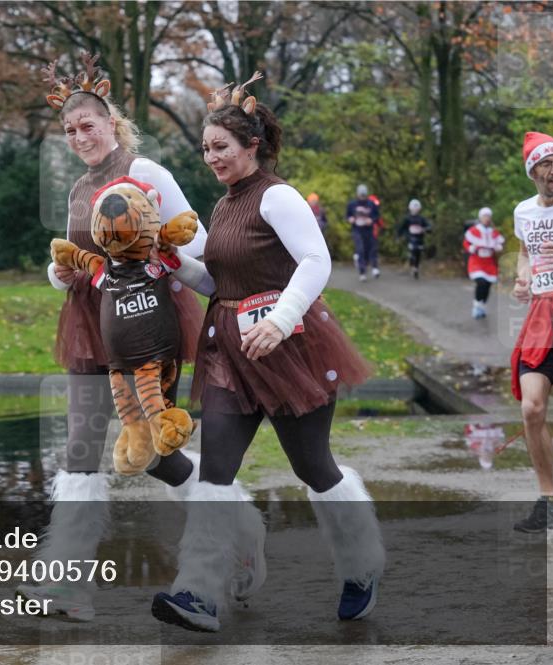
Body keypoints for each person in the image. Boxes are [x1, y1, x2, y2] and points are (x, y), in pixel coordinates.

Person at [151, 74, 384, 632]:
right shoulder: (224, 204)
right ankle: (200, 594)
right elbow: (218, 282)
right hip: (228, 353)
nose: (211, 157)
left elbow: (316, 261)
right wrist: (172, 263)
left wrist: (281, 321)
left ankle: (361, 567)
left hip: (291, 348)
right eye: (206, 149)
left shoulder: (276, 195)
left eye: (221, 147)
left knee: (313, 467)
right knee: (215, 475)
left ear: (252, 145)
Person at [17, 53, 224, 621]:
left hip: (148, 316)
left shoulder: (148, 172)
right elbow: (72, 257)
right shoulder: (79, 188)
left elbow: (199, 245)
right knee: (80, 449)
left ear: (111, 124)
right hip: (91, 320)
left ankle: (236, 543)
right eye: (69, 130)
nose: (79, 136)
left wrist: (172, 266)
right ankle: (68, 586)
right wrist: (57, 272)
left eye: (88, 126)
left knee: (156, 451)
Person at [510, 131, 553, 533]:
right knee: (531, 408)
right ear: (533, 171)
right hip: (542, 316)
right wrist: (521, 278)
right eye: (546, 164)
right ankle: (549, 502)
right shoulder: (523, 212)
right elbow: (525, 251)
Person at [463, 207, 504, 318]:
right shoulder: (474, 230)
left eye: (488, 216)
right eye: (485, 216)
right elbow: (466, 243)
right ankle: (477, 306)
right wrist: (471, 248)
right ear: (480, 218)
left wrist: (498, 247)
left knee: (487, 284)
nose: (487, 218)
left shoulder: (493, 232)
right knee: (481, 282)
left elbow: (500, 243)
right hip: (477, 262)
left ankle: (482, 306)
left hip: (489, 263)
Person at [346, 184, 381, 281]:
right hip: (357, 230)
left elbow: (377, 216)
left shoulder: (371, 204)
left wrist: (371, 220)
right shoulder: (352, 204)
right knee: (360, 249)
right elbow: (347, 215)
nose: (362, 197)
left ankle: (372, 267)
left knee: (370, 249)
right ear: (357, 194)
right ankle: (362, 273)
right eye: (361, 195)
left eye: (364, 195)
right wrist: (350, 219)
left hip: (368, 230)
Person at [397, 198, 432, 278]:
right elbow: (401, 228)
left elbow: (429, 227)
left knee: (418, 254)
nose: (415, 210)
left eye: (416, 208)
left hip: (420, 239)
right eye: (413, 208)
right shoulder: (407, 218)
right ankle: (412, 265)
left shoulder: (422, 219)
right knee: (412, 252)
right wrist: (399, 236)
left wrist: (425, 229)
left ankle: (416, 268)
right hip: (410, 239)